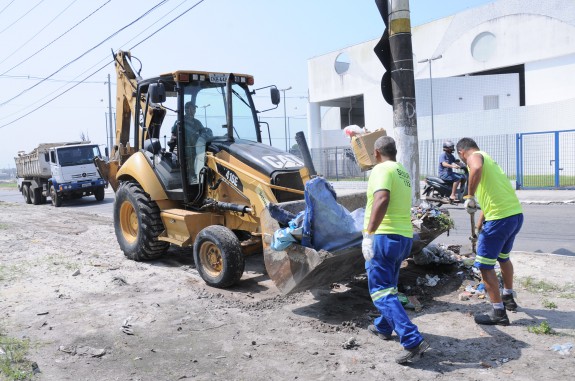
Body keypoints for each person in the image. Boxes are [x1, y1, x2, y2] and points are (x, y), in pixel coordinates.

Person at [362, 136, 430, 364]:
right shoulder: (402, 171)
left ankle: (412, 340)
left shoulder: (381, 169)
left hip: (384, 236)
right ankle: (383, 327)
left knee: (380, 292)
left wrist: (369, 234)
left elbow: (382, 199)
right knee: (389, 287)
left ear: (377, 152)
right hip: (402, 237)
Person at [456, 137, 524, 326]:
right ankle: (508, 297)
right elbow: (490, 199)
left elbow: (475, 168)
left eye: (462, 158)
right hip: (514, 216)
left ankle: (498, 312)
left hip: (500, 219)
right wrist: (479, 226)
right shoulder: (490, 161)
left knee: (485, 266)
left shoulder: (474, 157)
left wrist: (468, 195)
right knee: (503, 257)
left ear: (462, 152)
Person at [169, 101, 212, 182]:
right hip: (185, 151)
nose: (195, 110)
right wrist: (171, 151)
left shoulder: (197, 122)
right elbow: (173, 137)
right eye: (193, 108)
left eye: (195, 109)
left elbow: (203, 132)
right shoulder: (180, 122)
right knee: (189, 171)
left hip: (197, 150)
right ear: (187, 110)